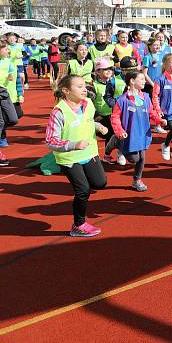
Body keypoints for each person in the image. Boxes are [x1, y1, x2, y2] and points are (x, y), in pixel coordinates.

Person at [46, 75, 109, 237]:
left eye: (85, 86)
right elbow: (51, 140)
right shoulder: (59, 112)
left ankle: (79, 215)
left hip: (89, 152)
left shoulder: (88, 104)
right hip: (69, 158)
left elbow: (85, 121)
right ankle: (78, 225)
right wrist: (73, 145)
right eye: (79, 87)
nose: (84, 89)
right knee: (83, 190)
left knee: (100, 183)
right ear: (66, 91)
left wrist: (98, 126)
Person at [111, 70, 156, 191]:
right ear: (132, 81)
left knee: (141, 158)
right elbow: (115, 117)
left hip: (142, 133)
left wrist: (159, 120)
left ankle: (137, 180)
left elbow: (151, 112)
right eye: (141, 79)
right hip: (128, 135)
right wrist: (119, 131)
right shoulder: (122, 100)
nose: (144, 81)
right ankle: (118, 142)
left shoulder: (146, 97)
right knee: (134, 159)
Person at [92, 57, 124, 165]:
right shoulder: (94, 85)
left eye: (110, 68)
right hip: (100, 115)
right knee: (111, 132)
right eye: (105, 69)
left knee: (119, 132)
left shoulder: (115, 82)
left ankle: (119, 153)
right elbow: (89, 103)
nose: (109, 71)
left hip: (114, 114)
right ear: (98, 71)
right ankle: (106, 155)